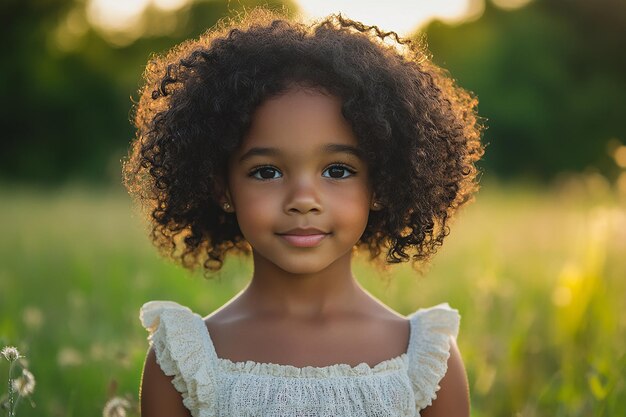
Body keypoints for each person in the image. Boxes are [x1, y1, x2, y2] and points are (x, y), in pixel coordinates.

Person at [123, 6, 484, 417]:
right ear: (221, 188)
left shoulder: (424, 360)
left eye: (338, 170)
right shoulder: (185, 362)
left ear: (381, 184)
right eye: (267, 171)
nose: (303, 198)